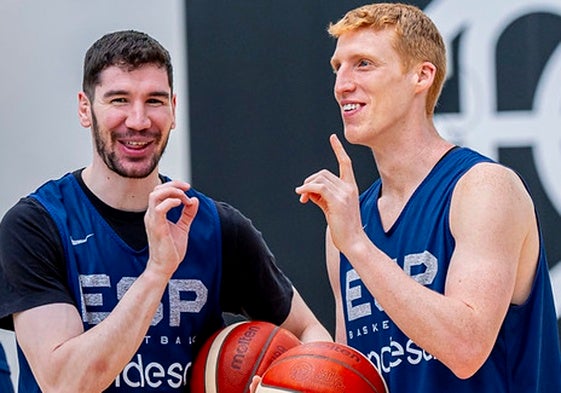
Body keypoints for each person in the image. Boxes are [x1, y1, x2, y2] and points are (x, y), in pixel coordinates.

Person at [0, 30, 331, 393]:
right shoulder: (36, 225)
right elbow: (64, 383)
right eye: (119, 100)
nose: (139, 120)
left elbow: (308, 333)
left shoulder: (215, 227)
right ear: (85, 108)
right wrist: (157, 272)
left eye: (154, 101)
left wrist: (299, 382)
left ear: (173, 109)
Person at [295, 3, 561, 392]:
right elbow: (352, 378)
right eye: (338, 67)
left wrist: (358, 245)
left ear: (421, 76)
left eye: (363, 64)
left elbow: (466, 348)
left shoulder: (483, 188)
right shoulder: (351, 221)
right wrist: (288, 383)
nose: (342, 84)